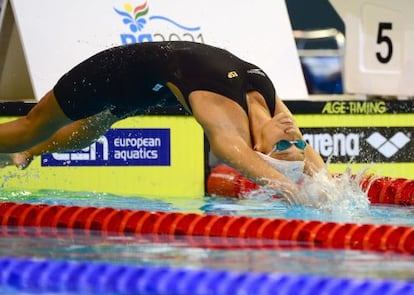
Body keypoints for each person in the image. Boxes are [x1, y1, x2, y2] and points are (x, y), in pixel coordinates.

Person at [0, 41, 325, 202]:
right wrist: (322, 185)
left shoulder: (227, 116)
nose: (293, 133)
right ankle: (25, 150)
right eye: (297, 141)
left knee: (80, 133)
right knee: (31, 129)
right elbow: (306, 158)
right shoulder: (270, 109)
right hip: (117, 72)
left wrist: (286, 188)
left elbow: (228, 148)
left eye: (284, 144)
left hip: (142, 85)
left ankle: (26, 153)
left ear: (258, 147)